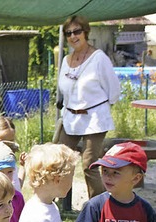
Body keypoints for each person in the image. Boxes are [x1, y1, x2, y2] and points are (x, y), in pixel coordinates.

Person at [57, 15, 120, 199]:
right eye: (68, 33)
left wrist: (96, 106)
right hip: (70, 118)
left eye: (77, 31)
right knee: (58, 161)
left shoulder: (99, 59)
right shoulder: (66, 60)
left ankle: (98, 208)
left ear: (85, 32)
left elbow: (114, 91)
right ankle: (54, 202)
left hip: (94, 118)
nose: (73, 36)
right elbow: (65, 91)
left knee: (89, 164)